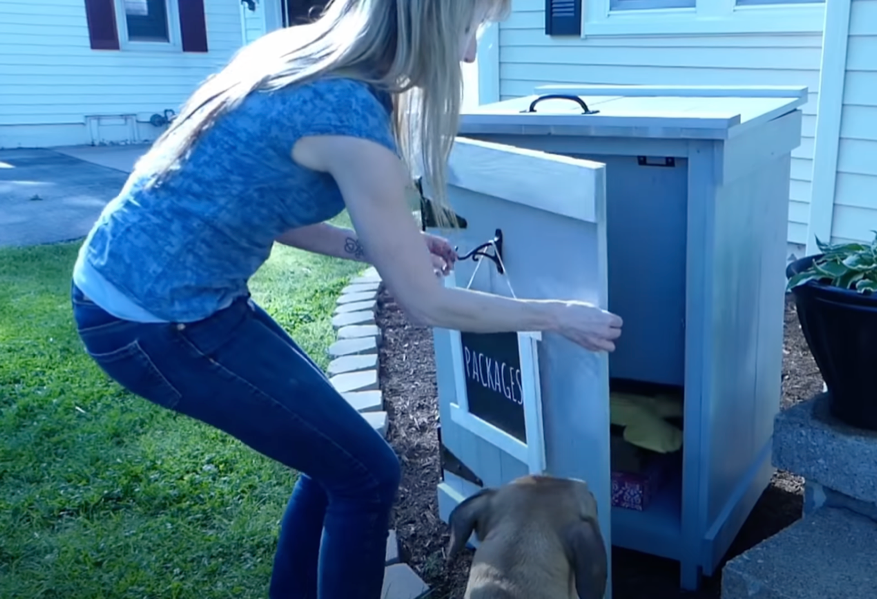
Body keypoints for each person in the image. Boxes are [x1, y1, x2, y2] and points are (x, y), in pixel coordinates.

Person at [68, 1, 623, 597]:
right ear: (428, 24)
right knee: (365, 475)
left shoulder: (296, 57)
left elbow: (270, 209)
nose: (467, 56)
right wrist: (557, 316)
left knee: (339, 459)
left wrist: (390, 245)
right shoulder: (350, 117)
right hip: (153, 321)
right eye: (470, 31)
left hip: (181, 297)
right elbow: (430, 306)